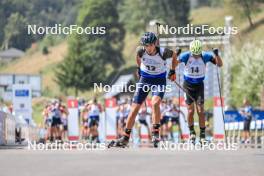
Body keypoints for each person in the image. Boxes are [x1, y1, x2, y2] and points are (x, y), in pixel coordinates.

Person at [108, 32, 177, 148]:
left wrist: (172, 70)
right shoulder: (140, 50)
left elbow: (174, 55)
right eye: (146, 45)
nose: (148, 48)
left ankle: (155, 133)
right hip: (145, 79)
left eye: (150, 45)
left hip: (159, 80)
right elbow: (138, 58)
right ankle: (125, 137)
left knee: (155, 103)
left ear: (155, 44)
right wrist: (139, 69)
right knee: (134, 108)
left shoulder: (163, 52)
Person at [177, 39, 223, 143]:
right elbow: (174, 63)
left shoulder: (205, 55)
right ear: (191, 51)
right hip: (188, 86)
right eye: (194, 54)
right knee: (190, 111)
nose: (196, 56)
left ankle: (202, 135)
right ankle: (192, 132)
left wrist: (217, 55)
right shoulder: (186, 56)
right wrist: (176, 55)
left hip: (199, 86)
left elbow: (219, 64)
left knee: (201, 111)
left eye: (198, 54)